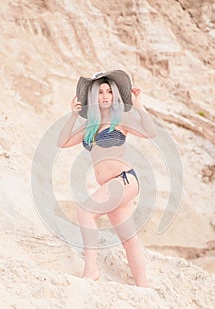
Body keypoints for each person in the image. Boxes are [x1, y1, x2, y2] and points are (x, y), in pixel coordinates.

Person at [58, 70, 156, 287]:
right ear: (93, 97)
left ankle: (90, 272)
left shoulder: (121, 118)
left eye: (109, 91)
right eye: (100, 92)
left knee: (85, 211)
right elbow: (62, 142)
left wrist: (139, 105)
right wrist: (73, 115)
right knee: (129, 239)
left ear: (114, 96)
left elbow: (150, 132)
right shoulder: (89, 127)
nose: (104, 96)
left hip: (124, 180)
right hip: (114, 187)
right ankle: (143, 285)